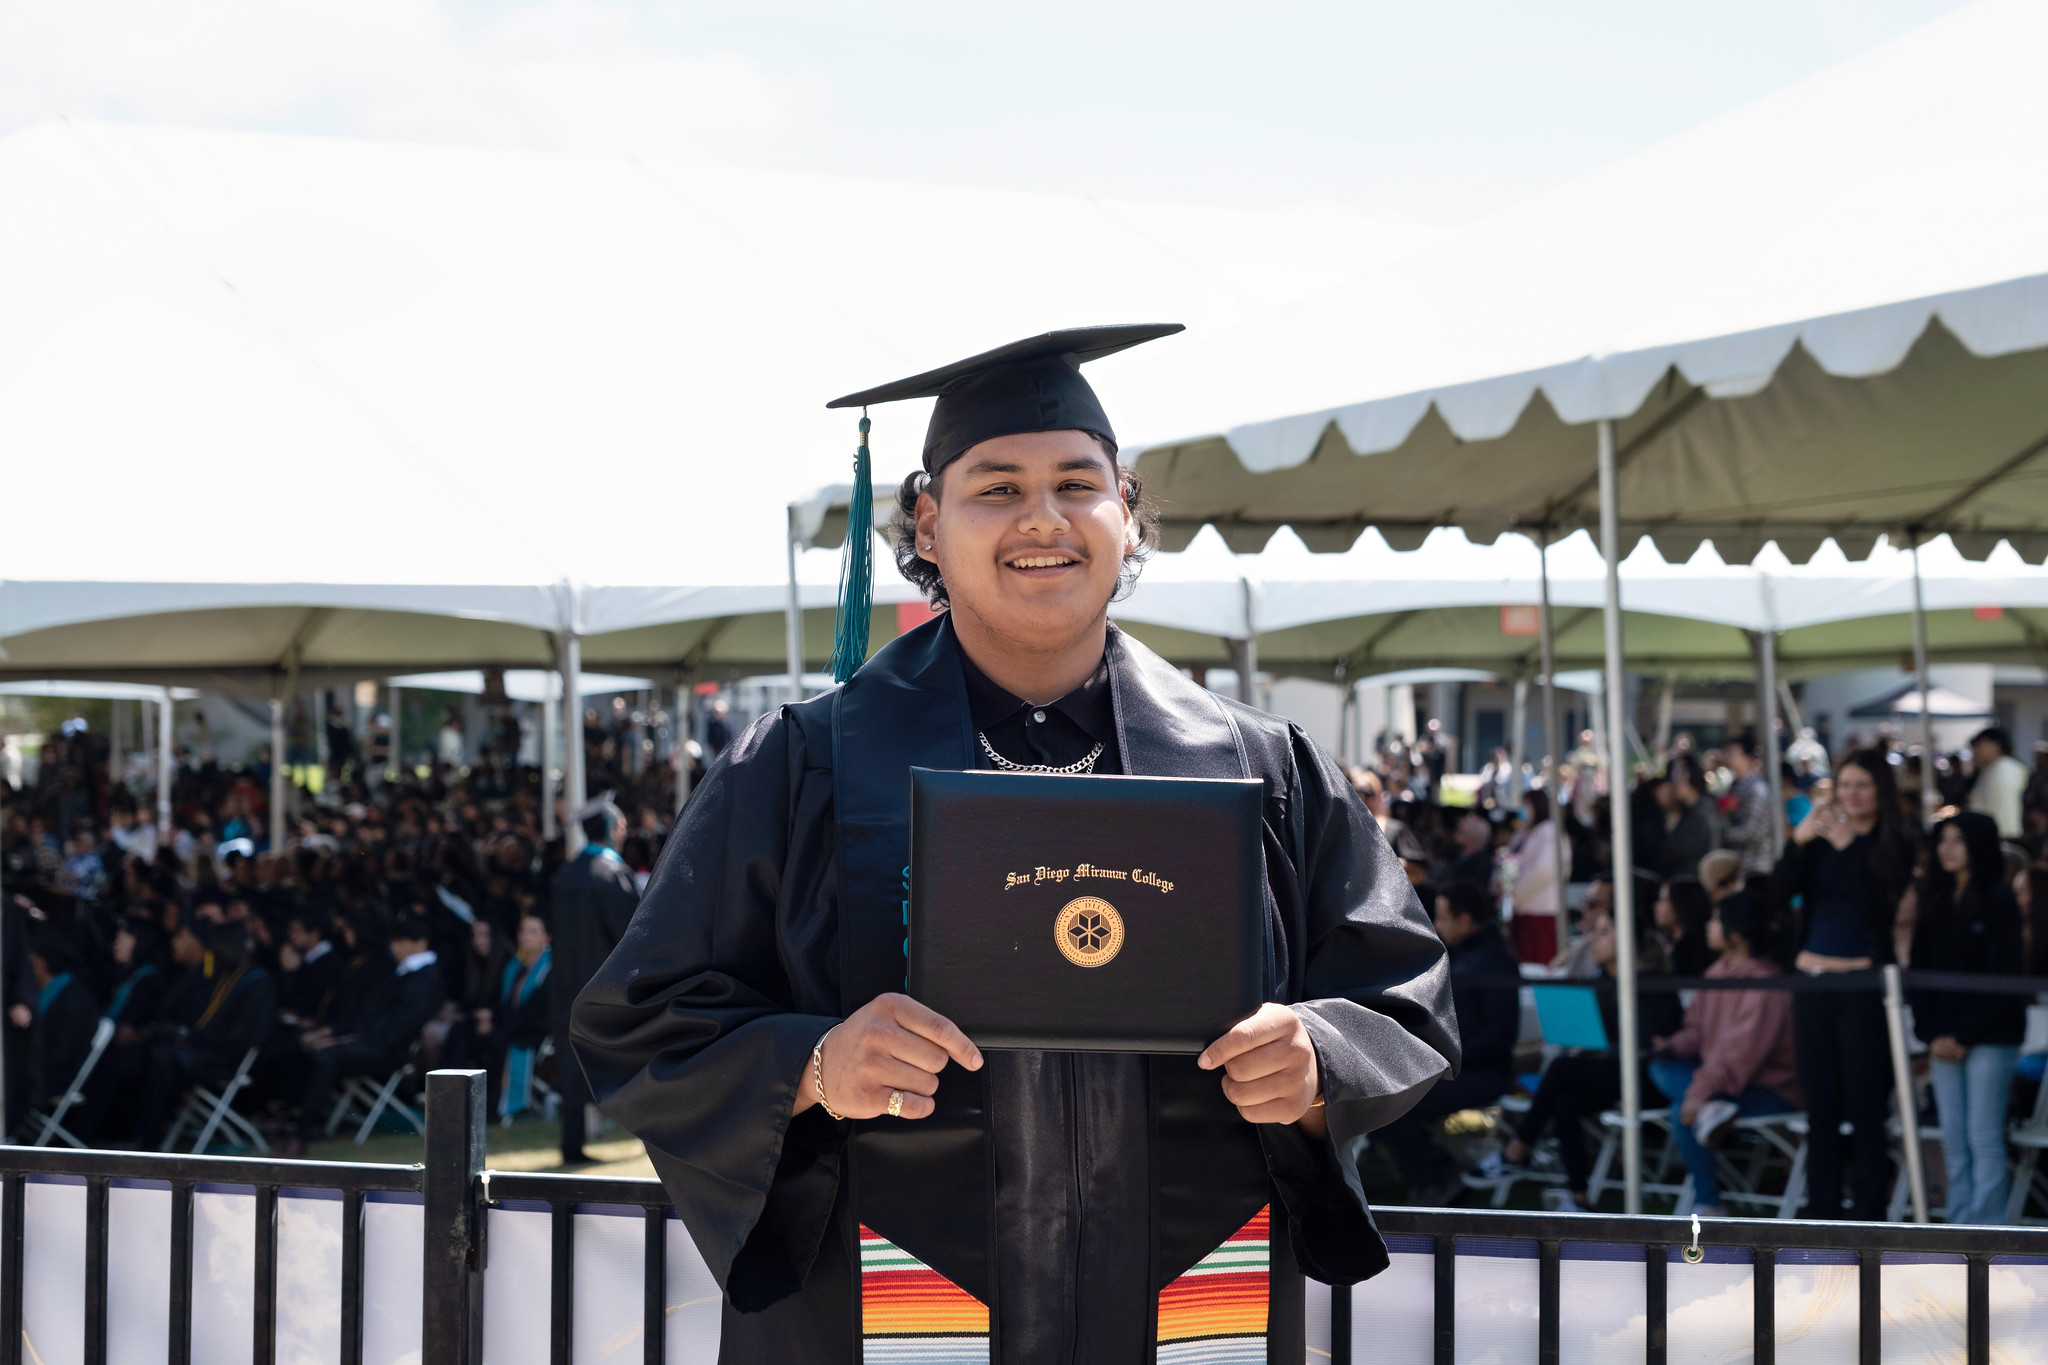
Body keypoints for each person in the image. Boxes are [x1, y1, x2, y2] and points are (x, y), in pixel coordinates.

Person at [570, 326, 1456, 1361]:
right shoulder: (801, 766)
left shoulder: (1255, 767)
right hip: (888, 1308)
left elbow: (1403, 1001)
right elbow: (641, 1025)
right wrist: (813, 1064)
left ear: (1126, 517)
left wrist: (1317, 1059)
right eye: (995, 488)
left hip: (1185, 1300)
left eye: (1076, 484)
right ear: (927, 525)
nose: (1042, 519)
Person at [1766, 749, 1915, 1219]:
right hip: (1811, 983)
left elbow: (1879, 906)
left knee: (1866, 1109)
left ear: (1880, 791)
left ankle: (1870, 1216)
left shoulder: (1896, 843)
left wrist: (1851, 845)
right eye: (1844, 785)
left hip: (1864, 987)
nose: (1850, 794)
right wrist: (1797, 841)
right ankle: (1822, 1213)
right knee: (1821, 1111)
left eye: (1861, 786)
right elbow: (1774, 897)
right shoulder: (1818, 839)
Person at [1498, 910, 1678, 1212]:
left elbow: (1649, 1046)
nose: (1594, 939)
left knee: (1561, 1070)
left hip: (1651, 1079)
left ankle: (1518, 1147)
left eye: (1604, 932)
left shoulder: (1651, 986)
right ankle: (1578, 1195)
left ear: (1628, 942)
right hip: (1619, 1075)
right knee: (1566, 1100)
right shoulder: (1604, 983)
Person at [1647, 893, 1800, 1215]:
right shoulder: (1715, 974)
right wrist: (1673, 1045)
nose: (1708, 926)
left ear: (1737, 931)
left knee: (1680, 1110)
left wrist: (1699, 1091)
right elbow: (1698, 1031)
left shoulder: (1766, 983)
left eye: (1716, 919)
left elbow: (1740, 1052)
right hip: (1726, 1083)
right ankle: (1710, 1109)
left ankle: (1708, 1203)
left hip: (1770, 1090)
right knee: (1658, 1068)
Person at [1909, 812, 2026, 1225]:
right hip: (1943, 1037)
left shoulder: (1999, 900)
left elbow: (2004, 977)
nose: (1948, 848)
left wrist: (1959, 1034)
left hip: (1991, 1037)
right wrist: (1933, 1033)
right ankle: (1958, 1231)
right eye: (1943, 839)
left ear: (1978, 846)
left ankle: (1988, 1235)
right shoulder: (1934, 900)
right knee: (1954, 1139)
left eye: (1958, 840)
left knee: (1983, 1136)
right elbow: (1919, 974)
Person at [1376, 881, 1520, 1205]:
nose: (1437, 926)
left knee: (1393, 1102)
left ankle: (1438, 1176)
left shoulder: (1491, 962)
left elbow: (1498, 1037)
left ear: (1465, 919)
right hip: (1456, 1066)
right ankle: (1435, 1175)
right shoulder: (1464, 956)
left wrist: (1442, 1059)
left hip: (1478, 1073)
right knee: (1384, 1094)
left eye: (1442, 918)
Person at [284, 915, 442, 1153]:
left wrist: (346, 1038)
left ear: (420, 943)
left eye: (401, 941)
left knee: (328, 1056)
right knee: (304, 1049)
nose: (395, 947)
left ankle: (303, 1132)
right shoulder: (402, 973)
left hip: (390, 1052)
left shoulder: (424, 978)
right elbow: (371, 1016)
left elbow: (400, 1027)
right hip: (373, 1042)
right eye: (394, 941)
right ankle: (303, 1123)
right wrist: (338, 1033)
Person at [551, 795, 640, 1164]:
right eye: (618, 822)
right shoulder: (611, 875)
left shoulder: (565, 875)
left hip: (566, 987)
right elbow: (634, 932)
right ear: (608, 828)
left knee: (573, 1063)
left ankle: (572, 1145)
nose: (623, 828)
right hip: (609, 987)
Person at [1502, 790, 1569, 964]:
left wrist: (1515, 895)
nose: (1523, 809)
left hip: (1540, 913)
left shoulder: (1549, 832)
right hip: (1522, 912)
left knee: (1538, 965)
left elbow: (1543, 871)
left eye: (1527, 805)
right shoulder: (1526, 831)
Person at [1721, 737, 1776, 877]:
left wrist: (1721, 834)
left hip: (1756, 867)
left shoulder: (1757, 788)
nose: (1729, 757)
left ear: (1747, 757)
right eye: (1728, 752)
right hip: (1738, 865)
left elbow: (1753, 832)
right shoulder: (1734, 786)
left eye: (1733, 753)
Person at [1659, 755, 1717, 882]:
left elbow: (1672, 851)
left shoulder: (1701, 814)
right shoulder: (1692, 811)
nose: (1674, 783)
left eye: (1679, 776)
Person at [1967, 726, 2030, 839]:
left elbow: (2005, 821)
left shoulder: (2003, 771)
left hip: (2000, 841)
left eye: (1979, 746)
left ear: (1995, 746)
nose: (1974, 752)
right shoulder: (1993, 770)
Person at [1654, 878, 1718, 977]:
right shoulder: (1668, 943)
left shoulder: (1691, 952)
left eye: (1664, 900)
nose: (1657, 906)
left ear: (1681, 903)